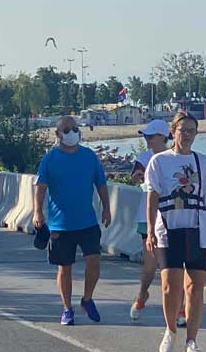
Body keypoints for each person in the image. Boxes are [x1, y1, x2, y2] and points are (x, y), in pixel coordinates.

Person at [146, 112, 206, 352]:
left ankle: (192, 340)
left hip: (198, 229)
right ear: (173, 132)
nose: (188, 135)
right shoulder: (159, 161)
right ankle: (171, 329)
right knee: (171, 286)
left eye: (192, 130)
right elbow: (152, 197)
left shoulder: (203, 162)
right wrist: (150, 230)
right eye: (183, 130)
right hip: (169, 229)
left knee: (195, 287)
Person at [33, 116, 111, 326]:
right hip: (60, 224)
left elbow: (101, 183)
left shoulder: (89, 156)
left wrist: (107, 208)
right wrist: (37, 212)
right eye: (66, 129)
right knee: (64, 267)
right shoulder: (50, 158)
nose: (71, 132)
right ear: (58, 134)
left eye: (75, 128)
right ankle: (67, 308)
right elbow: (40, 186)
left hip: (87, 221)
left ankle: (87, 298)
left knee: (94, 261)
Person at [128, 120, 187, 328]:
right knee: (151, 267)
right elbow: (136, 176)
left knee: (172, 266)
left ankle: (179, 309)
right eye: (145, 136)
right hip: (147, 219)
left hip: (173, 216)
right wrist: (146, 178)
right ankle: (142, 295)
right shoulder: (144, 157)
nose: (147, 140)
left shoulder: (175, 157)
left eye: (151, 136)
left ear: (163, 136)